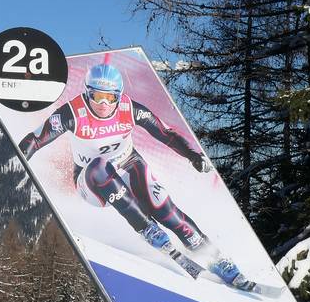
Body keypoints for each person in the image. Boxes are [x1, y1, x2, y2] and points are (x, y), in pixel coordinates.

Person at [18, 60, 252, 289]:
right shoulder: (72, 112)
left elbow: (166, 133)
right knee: (100, 165)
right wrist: (15, 165)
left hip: (128, 164)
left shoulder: (130, 109)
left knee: (165, 209)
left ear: (119, 96)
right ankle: (146, 227)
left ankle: (214, 257)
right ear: (87, 93)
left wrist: (192, 155)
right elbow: (36, 139)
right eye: (97, 96)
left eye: (110, 98)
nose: (103, 104)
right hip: (91, 181)